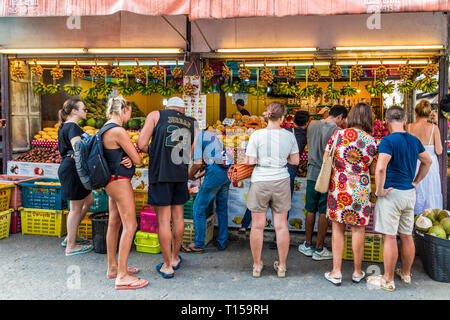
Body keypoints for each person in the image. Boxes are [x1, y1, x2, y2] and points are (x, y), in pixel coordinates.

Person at [367, 106, 432, 292]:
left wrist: (379, 190)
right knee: (406, 235)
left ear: (386, 121)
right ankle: (406, 273)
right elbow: (428, 161)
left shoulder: (388, 141)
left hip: (391, 194)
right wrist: (416, 181)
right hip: (409, 194)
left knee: (389, 237)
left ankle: (387, 279)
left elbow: (380, 168)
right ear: (404, 120)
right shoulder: (414, 140)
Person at [138, 96, 197, 278]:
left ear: (168, 106)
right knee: (178, 217)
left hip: (160, 173)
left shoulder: (155, 115)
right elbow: (190, 153)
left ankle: (167, 266)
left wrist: (155, 150)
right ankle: (174, 258)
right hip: (179, 174)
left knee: (164, 220)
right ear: (182, 110)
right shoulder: (192, 123)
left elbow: (141, 144)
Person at [322, 103, 378, 286]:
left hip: (339, 186)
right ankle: (357, 271)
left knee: (338, 228)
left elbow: (326, 159)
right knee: (358, 229)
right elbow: (374, 169)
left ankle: (336, 271)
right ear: (369, 119)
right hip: (361, 189)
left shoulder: (338, 135)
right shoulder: (372, 141)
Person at [244, 102, 300, 278]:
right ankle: (282, 266)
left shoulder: (256, 135)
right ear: (283, 118)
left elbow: (249, 161)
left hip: (260, 180)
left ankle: (256, 265)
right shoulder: (289, 136)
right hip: (281, 180)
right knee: (281, 225)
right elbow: (295, 161)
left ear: (267, 116)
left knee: (257, 226)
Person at [102, 96, 148, 290]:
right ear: (124, 111)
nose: (130, 117)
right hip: (119, 181)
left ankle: (113, 266)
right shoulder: (119, 130)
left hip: (109, 180)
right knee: (131, 225)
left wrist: (125, 157)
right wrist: (131, 157)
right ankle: (122, 276)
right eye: (129, 113)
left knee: (114, 222)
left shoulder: (104, 127)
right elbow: (137, 158)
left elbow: (115, 154)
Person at [239, 111, 309, 236]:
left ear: (293, 121)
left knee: (257, 203)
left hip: (268, 171)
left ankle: (244, 225)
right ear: (307, 123)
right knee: (282, 210)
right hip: (287, 173)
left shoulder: (286, 132)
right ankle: (278, 238)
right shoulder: (303, 136)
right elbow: (295, 160)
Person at [298, 105, 348, 260]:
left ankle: (307, 244)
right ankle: (319, 249)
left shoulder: (312, 125)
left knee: (310, 209)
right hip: (328, 175)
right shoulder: (338, 132)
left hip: (312, 173)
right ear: (339, 117)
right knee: (323, 211)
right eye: (343, 119)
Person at [182, 128, 231, 253]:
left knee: (198, 208)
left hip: (214, 176)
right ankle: (222, 242)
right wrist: (199, 175)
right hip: (226, 174)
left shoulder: (197, 139)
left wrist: (188, 176)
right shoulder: (211, 136)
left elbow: (197, 164)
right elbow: (216, 160)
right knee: (222, 208)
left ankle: (198, 243)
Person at [57, 99, 94, 256]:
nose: (85, 111)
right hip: (73, 169)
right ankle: (71, 245)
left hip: (71, 167)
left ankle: (71, 236)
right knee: (75, 208)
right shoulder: (72, 126)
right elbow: (78, 148)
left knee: (89, 201)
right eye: (83, 109)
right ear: (74, 111)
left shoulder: (69, 126)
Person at [407, 101, 443, 215]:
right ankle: (429, 219)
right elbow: (439, 150)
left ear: (416, 113)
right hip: (430, 166)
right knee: (430, 192)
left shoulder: (409, 127)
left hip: (414, 164)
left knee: (416, 191)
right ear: (428, 114)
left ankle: (414, 220)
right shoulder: (434, 128)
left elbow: (407, 149)